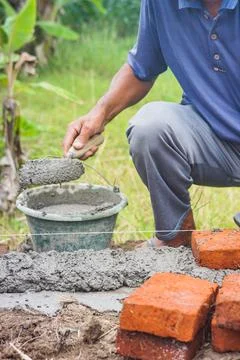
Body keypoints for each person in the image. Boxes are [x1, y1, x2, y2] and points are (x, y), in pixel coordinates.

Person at [63, 0, 240, 248]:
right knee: (150, 127)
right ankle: (176, 239)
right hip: (212, 137)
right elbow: (141, 68)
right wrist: (98, 115)